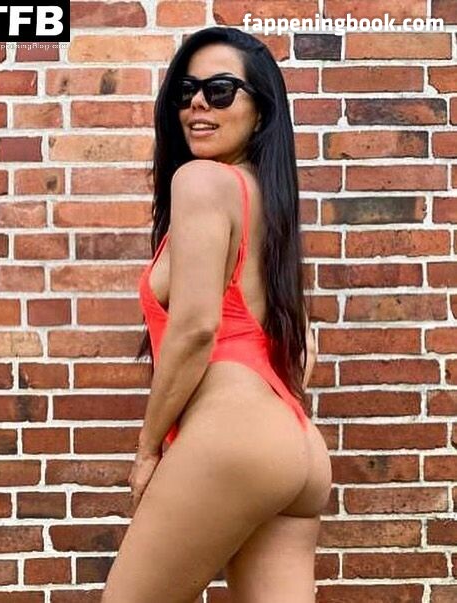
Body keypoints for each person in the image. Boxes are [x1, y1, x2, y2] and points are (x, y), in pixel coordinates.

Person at [102, 25, 332, 603]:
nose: (198, 103)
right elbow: (305, 350)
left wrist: (148, 450)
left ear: (261, 111)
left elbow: (196, 328)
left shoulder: (201, 180)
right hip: (297, 446)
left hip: (235, 435)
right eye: (186, 91)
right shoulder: (270, 203)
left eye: (221, 90)